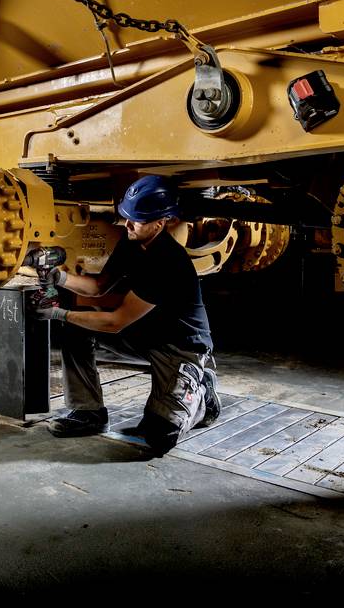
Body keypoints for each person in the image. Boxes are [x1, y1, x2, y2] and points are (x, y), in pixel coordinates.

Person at [36, 175, 220, 456]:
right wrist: (57, 276)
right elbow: (98, 288)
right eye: (127, 217)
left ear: (161, 223)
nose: (128, 224)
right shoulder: (131, 241)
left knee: (158, 438)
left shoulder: (168, 262)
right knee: (76, 329)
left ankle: (203, 394)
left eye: (138, 219)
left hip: (180, 346)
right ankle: (88, 413)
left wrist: (58, 313)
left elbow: (115, 321)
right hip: (144, 331)